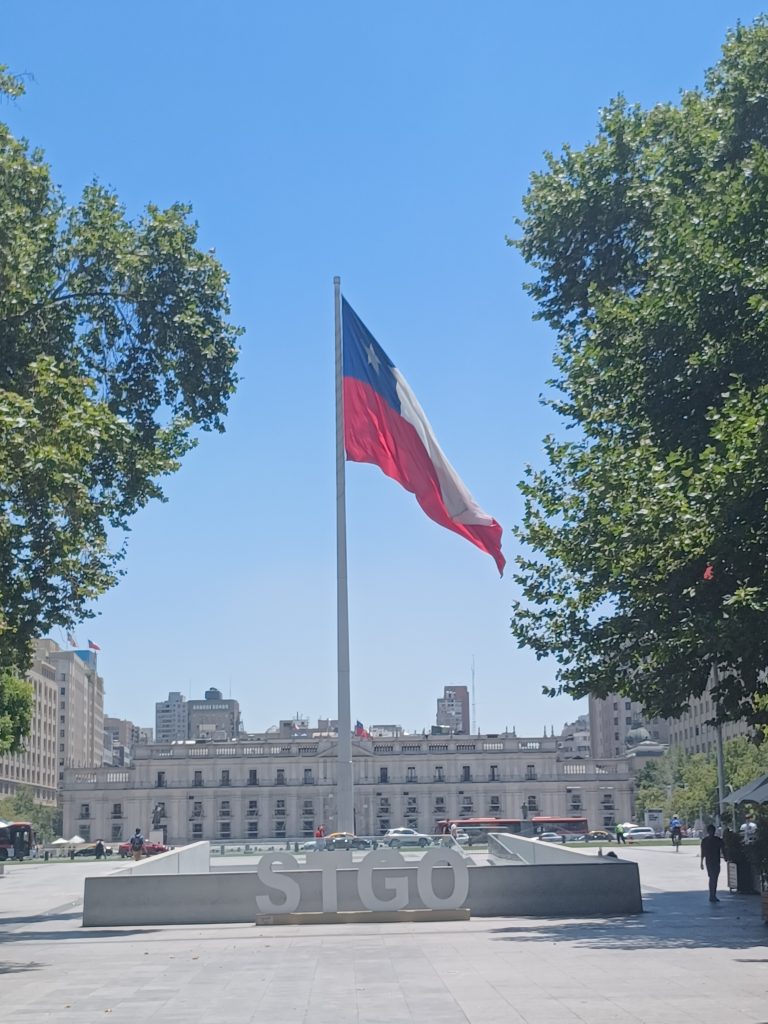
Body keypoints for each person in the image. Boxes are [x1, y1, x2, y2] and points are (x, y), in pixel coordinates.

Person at [700, 824, 724, 902]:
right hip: (711, 861)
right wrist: (701, 862)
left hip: (714, 861)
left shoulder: (711, 840)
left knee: (714, 878)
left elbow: (723, 849)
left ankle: (713, 894)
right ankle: (712, 895)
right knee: (713, 878)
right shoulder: (711, 840)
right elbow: (702, 852)